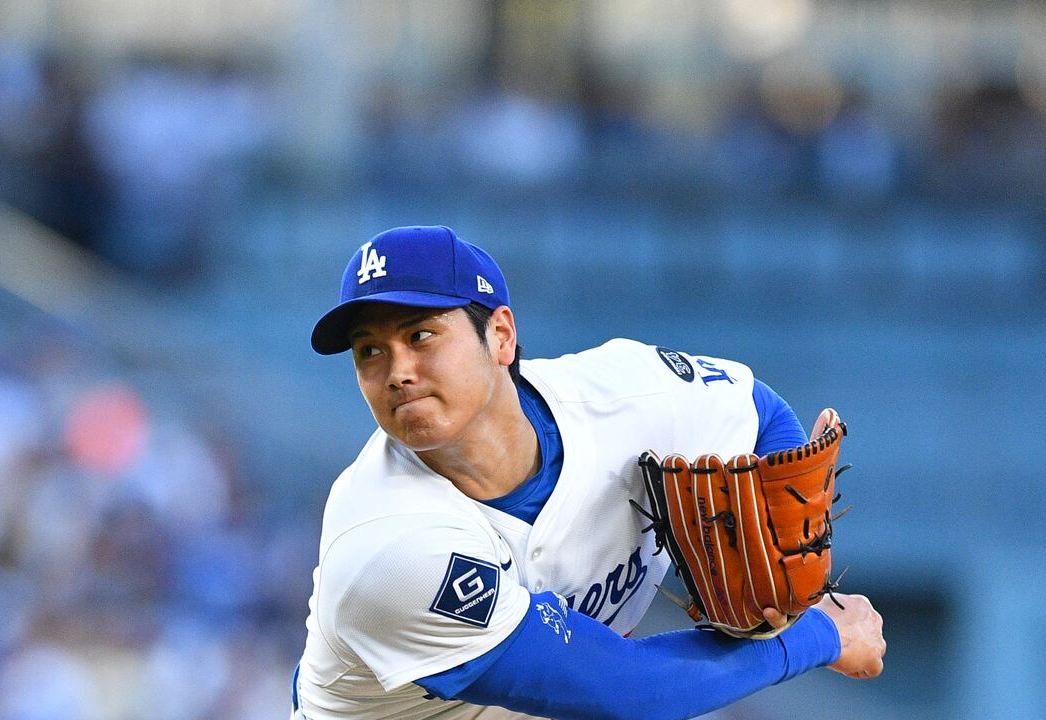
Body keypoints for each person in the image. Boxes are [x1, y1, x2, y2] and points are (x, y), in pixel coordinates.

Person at [293, 226, 885, 720]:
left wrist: (785, 579)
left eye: (421, 335)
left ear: (500, 335)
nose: (396, 371)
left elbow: (757, 408)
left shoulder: (626, 396)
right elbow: (627, 692)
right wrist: (821, 635)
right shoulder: (387, 546)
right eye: (369, 350)